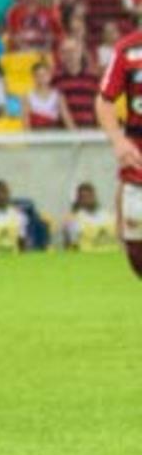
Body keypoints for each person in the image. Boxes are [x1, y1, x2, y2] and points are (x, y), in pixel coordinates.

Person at [96, 25, 142, 278]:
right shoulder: (128, 49)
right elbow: (104, 100)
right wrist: (117, 140)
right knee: (136, 255)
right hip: (138, 165)